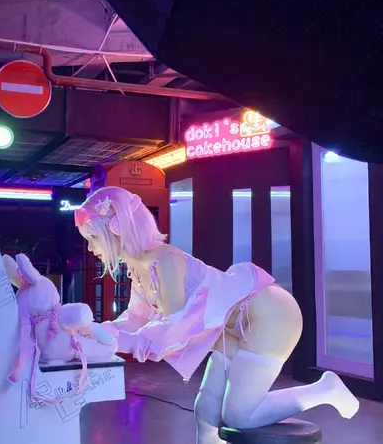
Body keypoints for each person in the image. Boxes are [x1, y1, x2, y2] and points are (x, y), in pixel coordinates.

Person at [75, 186, 359, 444]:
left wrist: (110, 341)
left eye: (93, 238)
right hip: (232, 330)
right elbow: (135, 319)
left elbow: (173, 330)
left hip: (269, 316)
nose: (90, 248)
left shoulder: (165, 261)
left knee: (239, 416)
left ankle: (324, 389)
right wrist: (94, 331)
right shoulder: (139, 269)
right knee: (206, 412)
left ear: (117, 231)